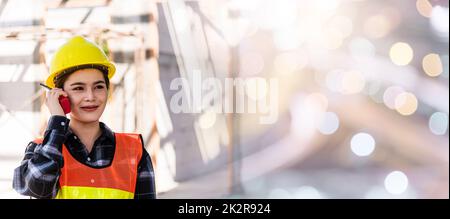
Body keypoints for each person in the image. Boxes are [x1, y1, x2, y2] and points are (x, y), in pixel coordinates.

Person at [13, 36, 156, 199]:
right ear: (60, 95)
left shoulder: (134, 151)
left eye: (99, 87)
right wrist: (57, 121)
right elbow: (38, 186)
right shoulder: (40, 150)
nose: (90, 96)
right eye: (79, 88)